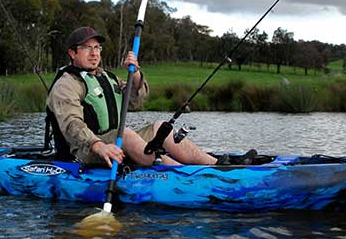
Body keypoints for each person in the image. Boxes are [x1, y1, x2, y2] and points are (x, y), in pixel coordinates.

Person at [46, 26, 220, 167]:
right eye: (86, 48)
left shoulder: (107, 77)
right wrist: (98, 146)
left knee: (161, 128)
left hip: (113, 142)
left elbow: (136, 101)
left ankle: (217, 165)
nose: (94, 53)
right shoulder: (66, 84)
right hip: (84, 150)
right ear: (72, 53)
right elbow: (71, 124)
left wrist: (135, 73)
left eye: (97, 47)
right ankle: (182, 174)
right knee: (127, 136)